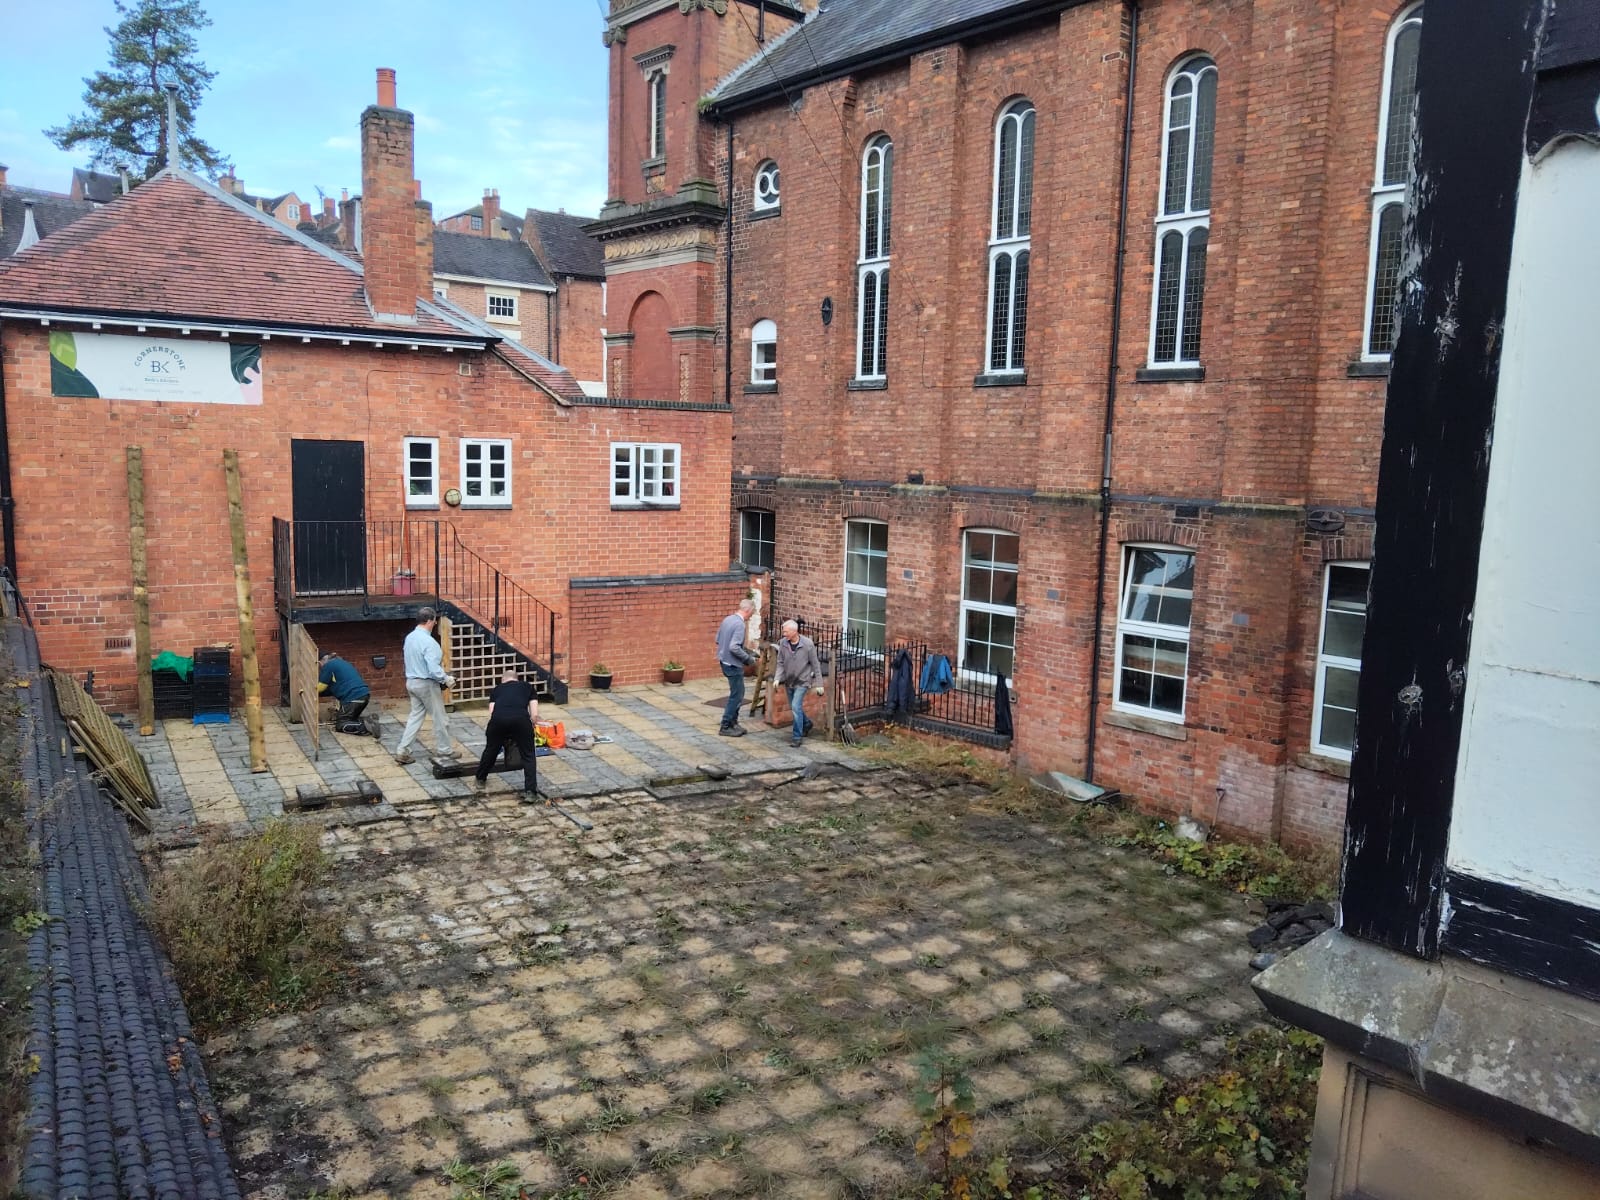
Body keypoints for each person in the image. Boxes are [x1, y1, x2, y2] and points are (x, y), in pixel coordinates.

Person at [395, 607, 456, 764]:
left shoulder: (410, 638)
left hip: (411, 682)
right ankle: (445, 751)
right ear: (429, 621)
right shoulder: (429, 642)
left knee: (415, 717)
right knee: (440, 719)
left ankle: (402, 751)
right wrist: (446, 679)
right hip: (426, 684)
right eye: (434, 621)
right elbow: (433, 669)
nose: (435, 623)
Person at [474, 669, 539, 800]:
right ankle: (530, 792)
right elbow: (534, 713)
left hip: (498, 720)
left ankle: (480, 779)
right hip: (521, 720)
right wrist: (531, 724)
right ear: (517, 679)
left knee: (491, 749)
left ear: (503, 680)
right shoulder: (528, 687)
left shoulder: (497, 689)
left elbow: (492, 711)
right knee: (528, 754)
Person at [776, 620, 823, 747]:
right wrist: (777, 678)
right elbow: (780, 662)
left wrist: (819, 684)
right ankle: (807, 724)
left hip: (803, 681)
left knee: (796, 707)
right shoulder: (783, 643)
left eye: (786, 631)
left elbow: (815, 664)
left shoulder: (808, 644)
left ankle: (797, 736)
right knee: (794, 707)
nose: (784, 634)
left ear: (794, 631)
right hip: (789, 681)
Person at [715, 597, 755, 736]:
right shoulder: (739, 624)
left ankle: (733, 723)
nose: (751, 615)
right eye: (752, 612)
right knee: (736, 696)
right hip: (733, 664)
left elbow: (718, 639)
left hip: (724, 661)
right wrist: (748, 659)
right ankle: (725, 726)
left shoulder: (728, 619)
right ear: (748, 610)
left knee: (737, 694)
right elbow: (734, 647)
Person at [316, 652, 371, 725]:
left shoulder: (328, 665)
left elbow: (320, 687)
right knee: (350, 719)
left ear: (319, 662)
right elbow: (332, 688)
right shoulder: (342, 663)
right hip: (364, 695)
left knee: (342, 724)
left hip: (353, 698)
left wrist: (308, 690)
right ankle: (367, 721)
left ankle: (367, 727)